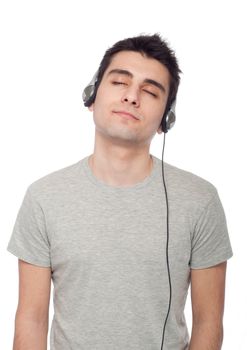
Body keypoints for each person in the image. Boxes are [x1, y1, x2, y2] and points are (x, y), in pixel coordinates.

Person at [7, 33, 233, 350]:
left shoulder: (200, 200)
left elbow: (209, 323)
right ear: (91, 96)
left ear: (165, 120)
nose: (132, 97)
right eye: (119, 83)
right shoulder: (43, 197)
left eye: (150, 91)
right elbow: (31, 321)